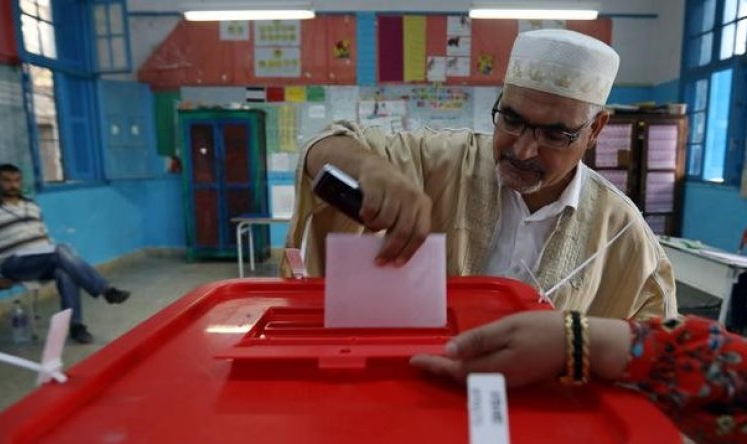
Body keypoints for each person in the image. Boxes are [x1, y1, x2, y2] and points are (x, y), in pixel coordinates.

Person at [284, 28, 677, 320]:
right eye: (511, 119)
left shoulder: (621, 231)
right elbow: (325, 146)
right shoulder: (438, 160)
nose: (522, 149)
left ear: (595, 129)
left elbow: (656, 342)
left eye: (555, 134)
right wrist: (368, 168)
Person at [410, 311, 747, 443]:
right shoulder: (448, 169)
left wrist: (579, 340)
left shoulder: (622, 225)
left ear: (588, 151)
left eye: (556, 148)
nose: (525, 152)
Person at [0, 164, 130, 344]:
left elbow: (43, 236)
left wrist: (55, 252)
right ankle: (106, 290)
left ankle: (76, 326)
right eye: (6, 180)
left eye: (16, 180)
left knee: (64, 271)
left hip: (43, 258)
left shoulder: (32, 205)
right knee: (60, 251)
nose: (12, 185)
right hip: (14, 263)